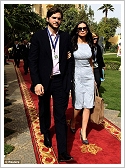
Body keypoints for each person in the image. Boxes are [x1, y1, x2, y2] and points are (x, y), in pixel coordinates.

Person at [28, 7, 74, 162]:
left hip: (60, 81)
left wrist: (69, 57)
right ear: (47, 19)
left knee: (60, 115)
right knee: (45, 109)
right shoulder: (38, 37)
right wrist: (37, 82)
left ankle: (62, 151)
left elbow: (70, 58)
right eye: (54, 18)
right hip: (44, 80)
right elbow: (32, 62)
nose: (57, 21)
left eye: (59, 18)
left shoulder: (65, 37)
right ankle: (46, 133)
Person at [70, 21, 95, 145]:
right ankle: (73, 121)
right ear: (76, 30)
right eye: (80, 28)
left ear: (87, 30)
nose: (82, 30)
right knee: (78, 105)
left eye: (84, 28)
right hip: (77, 76)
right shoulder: (72, 44)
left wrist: (94, 79)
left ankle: (83, 131)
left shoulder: (90, 44)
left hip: (89, 77)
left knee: (88, 105)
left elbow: (91, 63)